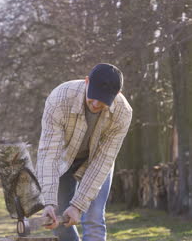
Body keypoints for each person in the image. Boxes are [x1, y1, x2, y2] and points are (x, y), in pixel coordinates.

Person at [36, 63, 132, 241]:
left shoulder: (122, 113)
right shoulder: (59, 98)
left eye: (103, 100)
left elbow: (103, 161)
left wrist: (78, 206)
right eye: (93, 97)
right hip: (63, 161)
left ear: (117, 94)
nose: (96, 104)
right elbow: (49, 153)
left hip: (97, 162)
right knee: (59, 221)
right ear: (86, 81)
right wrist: (48, 201)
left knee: (94, 217)